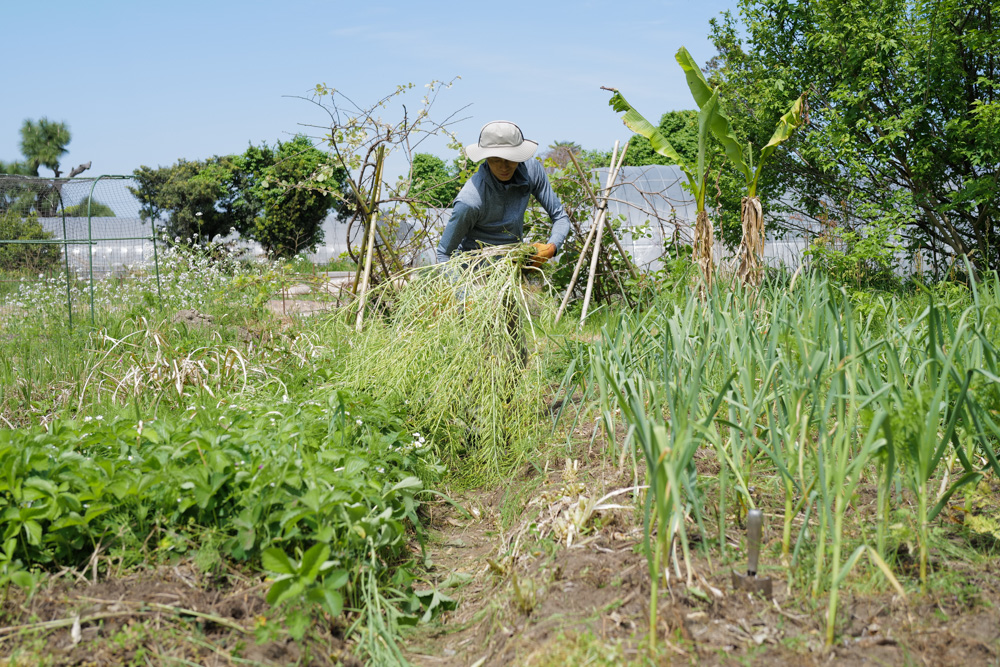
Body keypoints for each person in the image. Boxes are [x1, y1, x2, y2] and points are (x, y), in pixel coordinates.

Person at [436, 120, 571, 266]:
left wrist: (551, 247)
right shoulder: (471, 200)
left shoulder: (531, 171)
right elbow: (444, 254)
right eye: (495, 160)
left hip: (513, 268)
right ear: (486, 158)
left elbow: (560, 217)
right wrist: (462, 289)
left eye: (510, 159)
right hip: (475, 274)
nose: (504, 167)